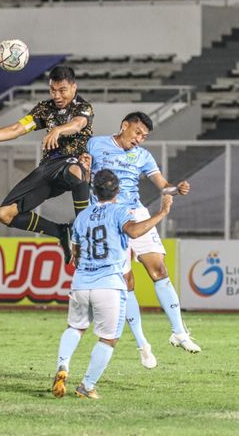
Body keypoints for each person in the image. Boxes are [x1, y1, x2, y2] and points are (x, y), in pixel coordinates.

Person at [84, 111, 201, 368]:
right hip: (107, 216)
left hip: (136, 213)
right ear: (124, 126)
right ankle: (142, 345)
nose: (139, 139)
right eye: (137, 133)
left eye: (144, 136)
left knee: (159, 269)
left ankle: (179, 332)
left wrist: (176, 189)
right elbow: (82, 173)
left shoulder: (143, 156)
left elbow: (163, 185)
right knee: (127, 283)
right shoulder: (95, 144)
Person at [51, 169, 173, 400]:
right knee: (108, 339)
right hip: (109, 285)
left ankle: (63, 365)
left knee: (75, 328)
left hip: (81, 283)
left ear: (94, 192)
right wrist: (162, 212)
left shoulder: (82, 216)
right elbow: (135, 232)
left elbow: (75, 254)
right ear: (117, 190)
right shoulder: (120, 211)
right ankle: (87, 385)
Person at [0, 65, 93, 263]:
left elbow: (78, 124)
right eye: (52, 90)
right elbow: (16, 129)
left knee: (76, 170)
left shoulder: (83, 107)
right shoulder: (43, 109)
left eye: (62, 90)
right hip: (49, 167)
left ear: (74, 88)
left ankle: (83, 233)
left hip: (72, 162)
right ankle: (60, 231)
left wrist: (58, 130)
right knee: (4, 214)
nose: (57, 95)